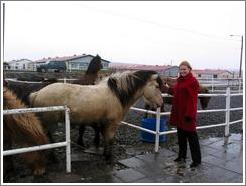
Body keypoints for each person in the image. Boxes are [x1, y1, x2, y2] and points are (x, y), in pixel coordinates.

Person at [167, 61, 201, 168]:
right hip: (179, 113)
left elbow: (193, 100)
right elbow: (177, 92)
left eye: (184, 69)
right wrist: (167, 89)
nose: (182, 71)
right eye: (181, 69)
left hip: (187, 114)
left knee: (192, 138)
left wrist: (190, 114)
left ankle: (196, 160)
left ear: (189, 69)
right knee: (181, 137)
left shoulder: (193, 81)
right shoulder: (180, 81)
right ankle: (181, 156)